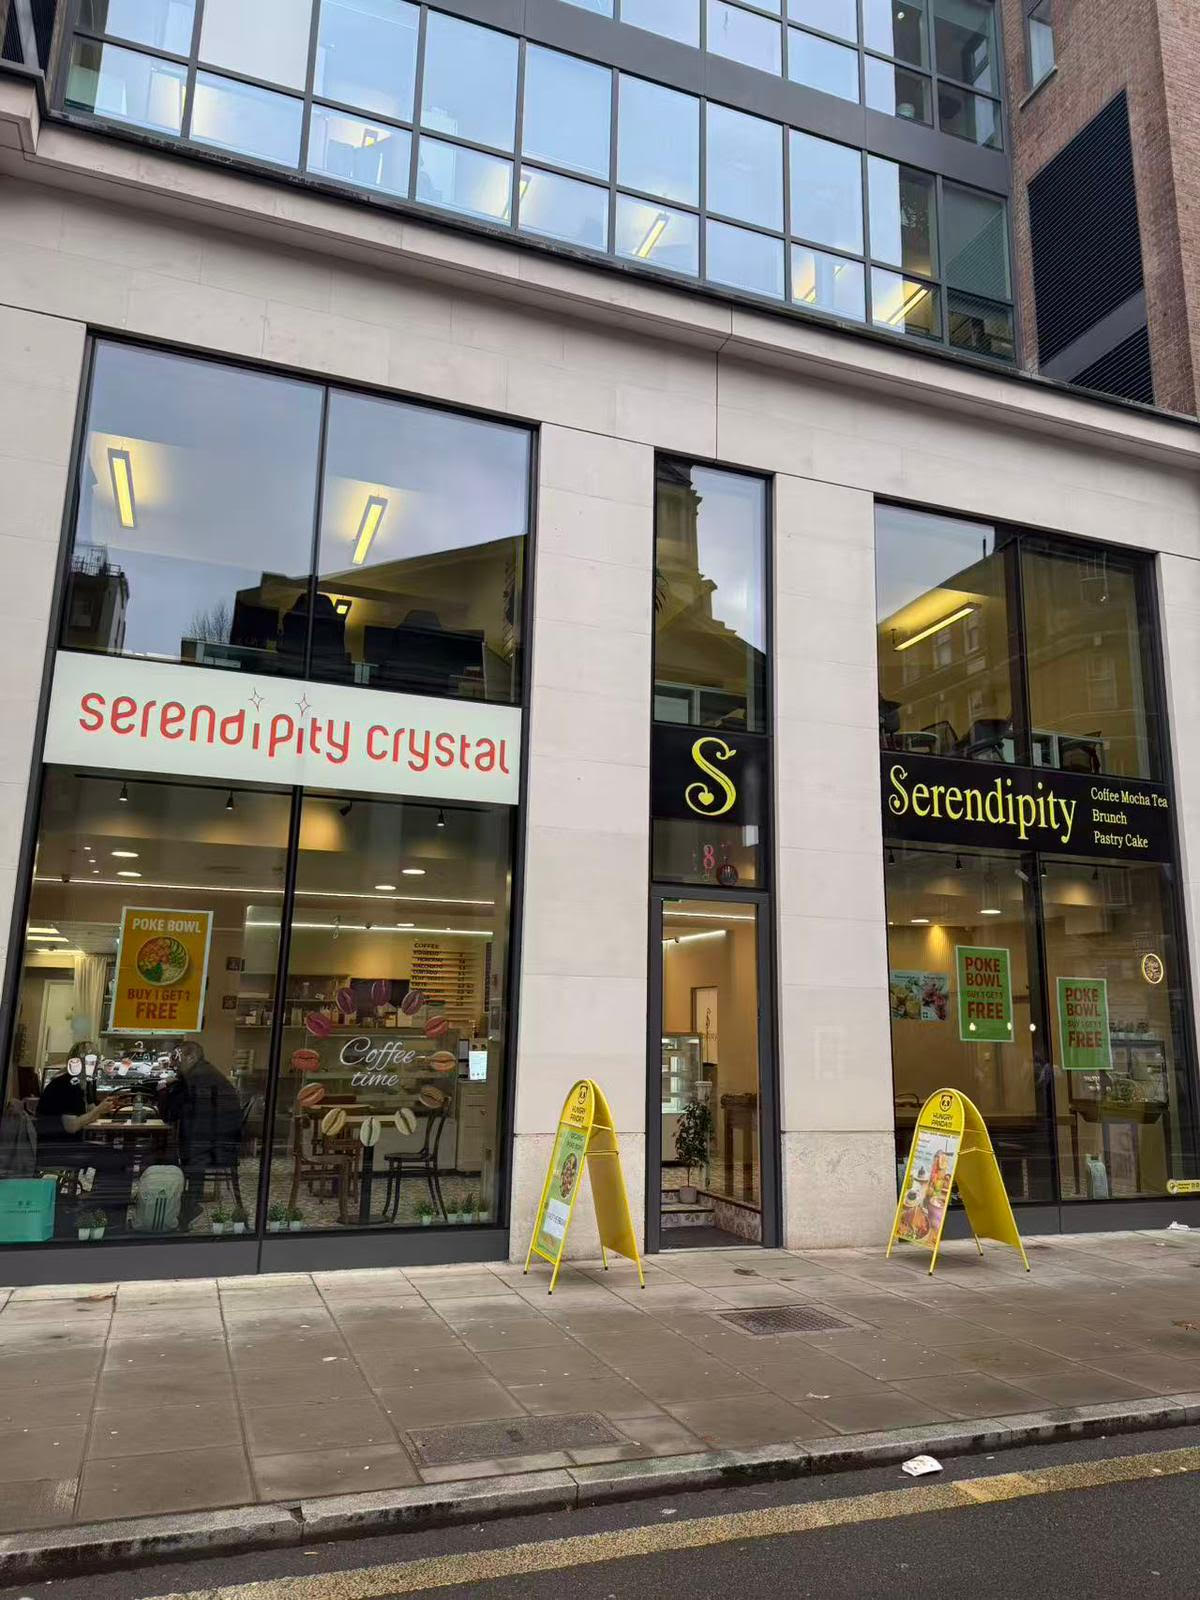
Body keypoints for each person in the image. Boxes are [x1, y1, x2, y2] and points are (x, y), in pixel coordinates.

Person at [35, 1068, 135, 1234]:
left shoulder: (75, 1085)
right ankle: (104, 1213)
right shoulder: (66, 1086)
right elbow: (72, 1126)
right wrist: (98, 1110)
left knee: (117, 1157)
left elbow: (83, 1114)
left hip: (60, 1146)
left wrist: (99, 1108)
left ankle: (99, 1207)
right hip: (56, 1149)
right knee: (118, 1159)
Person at [161, 1040, 244, 1229]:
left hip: (216, 1145)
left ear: (191, 1057)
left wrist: (167, 1088)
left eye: (177, 1058)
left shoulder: (198, 1078)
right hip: (221, 1139)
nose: (174, 1063)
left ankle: (186, 1205)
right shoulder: (201, 1073)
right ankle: (182, 1204)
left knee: (170, 1155)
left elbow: (183, 1116)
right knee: (177, 1151)